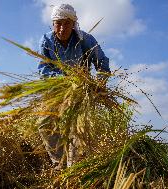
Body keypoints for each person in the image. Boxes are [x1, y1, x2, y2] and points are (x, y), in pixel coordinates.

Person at [37, 4, 110, 169]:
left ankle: (74, 166)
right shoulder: (46, 40)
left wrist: (99, 82)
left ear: (74, 23)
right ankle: (59, 162)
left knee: (77, 128)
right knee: (45, 124)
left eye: (67, 23)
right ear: (53, 24)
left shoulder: (85, 40)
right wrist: (65, 79)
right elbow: (43, 70)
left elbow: (102, 63)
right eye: (58, 23)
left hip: (80, 91)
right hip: (55, 89)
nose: (62, 28)